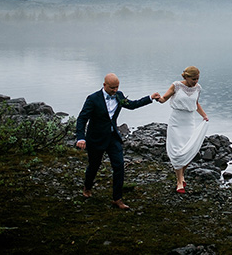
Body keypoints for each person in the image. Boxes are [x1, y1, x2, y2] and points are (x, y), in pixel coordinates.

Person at [76, 73, 160, 209]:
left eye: (117, 87)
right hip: (96, 138)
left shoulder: (119, 95)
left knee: (119, 166)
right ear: (104, 85)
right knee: (94, 165)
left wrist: (150, 98)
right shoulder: (93, 99)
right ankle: (87, 187)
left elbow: (132, 105)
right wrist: (80, 137)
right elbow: (82, 119)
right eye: (112, 88)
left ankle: (117, 199)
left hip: (113, 137)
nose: (115, 90)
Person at [158, 66, 209, 193]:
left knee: (188, 150)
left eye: (197, 79)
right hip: (176, 121)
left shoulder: (198, 88)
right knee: (177, 151)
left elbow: (195, 103)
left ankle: (181, 176)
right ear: (186, 77)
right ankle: (179, 181)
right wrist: (158, 98)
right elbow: (164, 99)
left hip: (189, 121)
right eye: (193, 79)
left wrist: (204, 115)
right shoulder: (176, 86)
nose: (195, 81)